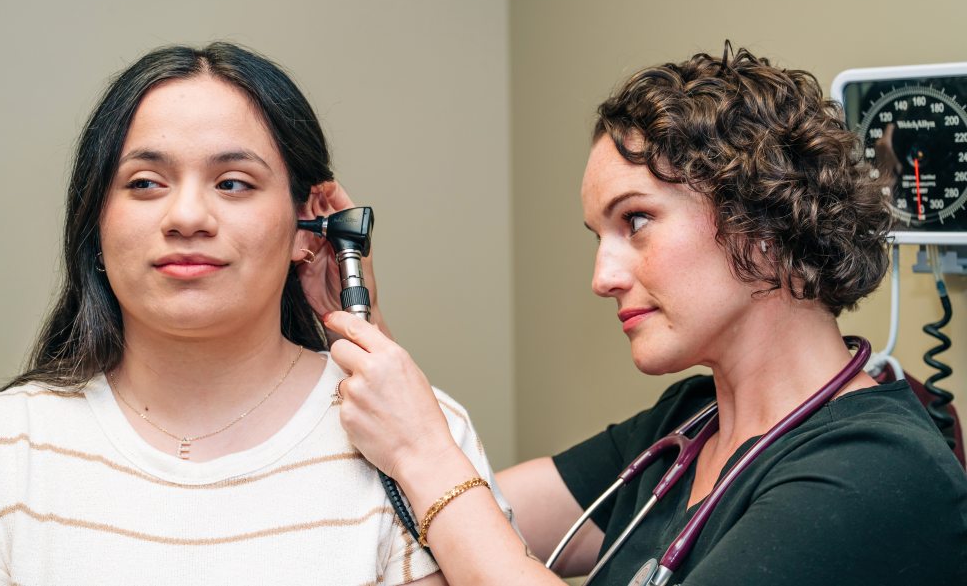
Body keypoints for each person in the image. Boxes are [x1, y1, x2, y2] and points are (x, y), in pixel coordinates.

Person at [322, 46, 967, 585]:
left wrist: (423, 450)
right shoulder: (691, 420)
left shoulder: (877, 472)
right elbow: (469, 518)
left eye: (636, 221)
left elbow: (447, 492)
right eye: (598, 236)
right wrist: (365, 327)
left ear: (765, 221)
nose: (602, 278)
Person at [0, 42, 508, 586]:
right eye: (144, 183)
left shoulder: (416, 434)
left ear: (308, 225)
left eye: (233, 183)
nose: (187, 216)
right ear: (96, 221)